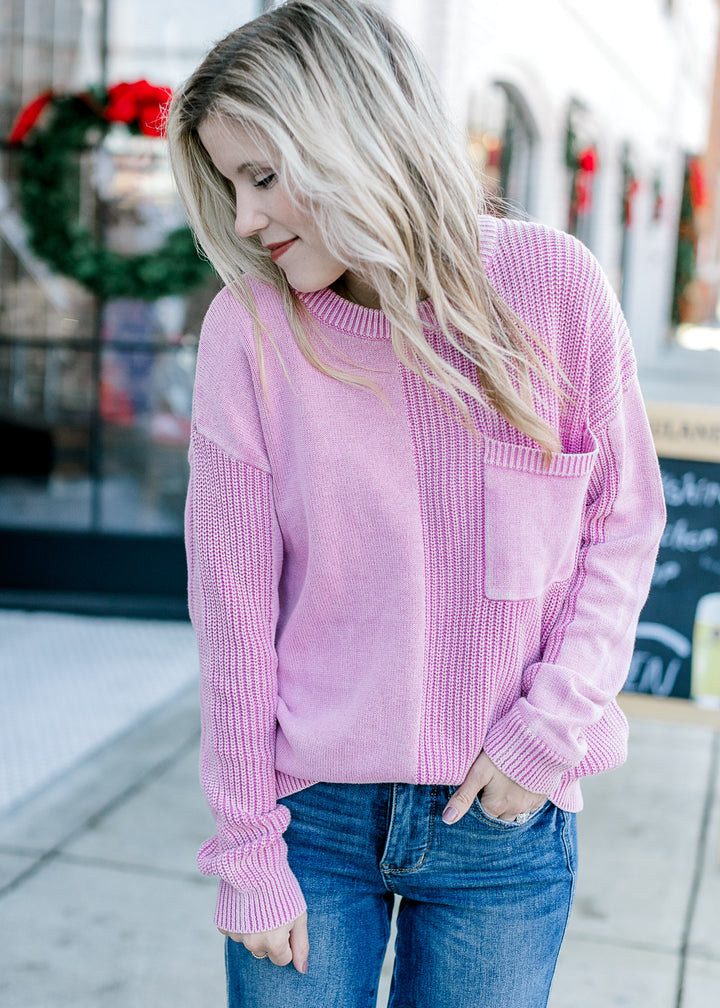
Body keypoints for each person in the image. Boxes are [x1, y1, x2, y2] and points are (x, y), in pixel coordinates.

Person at [166, 2, 665, 1005]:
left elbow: (621, 528)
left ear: (352, 138)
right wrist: (247, 848)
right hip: (310, 825)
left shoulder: (554, 287)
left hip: (503, 817)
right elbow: (232, 615)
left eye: (262, 176)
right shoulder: (249, 332)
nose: (247, 219)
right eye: (231, 186)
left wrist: (545, 735)